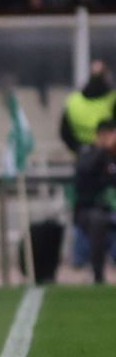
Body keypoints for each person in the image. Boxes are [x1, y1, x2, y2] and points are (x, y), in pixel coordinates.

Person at [59, 60, 116, 268]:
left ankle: (81, 260)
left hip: (84, 158)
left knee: (83, 213)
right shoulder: (111, 98)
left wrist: (79, 149)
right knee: (92, 214)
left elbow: (64, 133)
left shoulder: (74, 101)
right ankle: (86, 260)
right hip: (99, 160)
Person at [73, 120, 116, 285]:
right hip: (89, 209)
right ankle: (98, 273)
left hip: (110, 208)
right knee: (99, 221)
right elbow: (85, 170)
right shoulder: (87, 152)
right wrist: (102, 150)